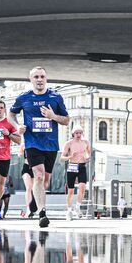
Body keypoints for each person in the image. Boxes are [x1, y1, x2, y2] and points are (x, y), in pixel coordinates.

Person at [10, 65, 70, 229]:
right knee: (38, 175)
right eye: (36, 77)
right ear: (31, 80)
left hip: (50, 144)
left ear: (46, 79)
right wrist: (17, 126)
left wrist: (53, 116)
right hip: (32, 143)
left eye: (42, 77)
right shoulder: (24, 98)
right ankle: (42, 213)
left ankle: (36, 202)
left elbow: (66, 120)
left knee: (45, 181)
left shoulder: (55, 97)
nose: (39, 80)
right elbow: (11, 114)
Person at [61, 125, 92, 219]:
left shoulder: (86, 142)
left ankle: (77, 207)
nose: (78, 135)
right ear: (73, 134)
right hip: (72, 166)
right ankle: (69, 211)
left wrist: (87, 157)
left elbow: (88, 153)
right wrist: (70, 156)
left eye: (80, 133)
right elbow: (62, 158)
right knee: (70, 191)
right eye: (76, 133)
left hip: (82, 165)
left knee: (82, 187)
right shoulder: (69, 143)